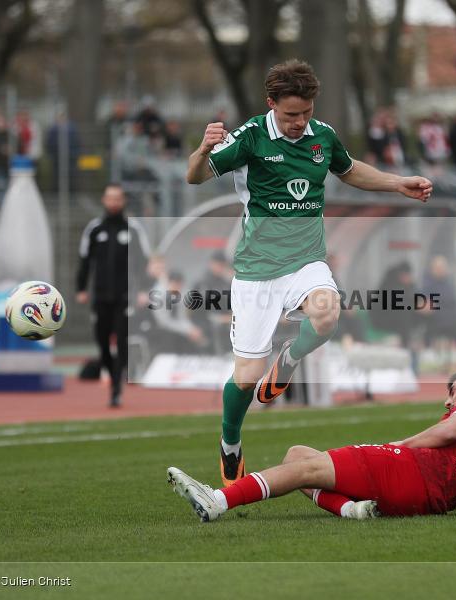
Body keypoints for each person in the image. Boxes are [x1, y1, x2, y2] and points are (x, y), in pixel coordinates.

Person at [185, 59, 433, 486]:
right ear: (271, 104)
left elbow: (349, 168)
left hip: (305, 260)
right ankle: (230, 445)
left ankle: (290, 359)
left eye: (306, 113)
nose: (299, 122)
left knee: (328, 311)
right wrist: (203, 149)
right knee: (245, 378)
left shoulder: (323, 136)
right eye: (290, 115)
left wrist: (397, 183)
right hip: (257, 268)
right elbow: (194, 177)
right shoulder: (250, 137)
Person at [168, 367, 456, 521]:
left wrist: (403, 444)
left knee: (306, 470)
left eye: (452, 390)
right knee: (296, 455)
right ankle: (351, 511)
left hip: (412, 472)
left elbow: (451, 431)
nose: (448, 400)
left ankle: (217, 500)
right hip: (419, 503)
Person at [75, 184, 150, 408]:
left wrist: (144, 290)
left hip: (124, 297)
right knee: (102, 341)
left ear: (123, 200)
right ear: (104, 200)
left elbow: (142, 263)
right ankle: (111, 373)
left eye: (118, 198)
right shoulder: (95, 229)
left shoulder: (133, 229)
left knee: (122, 342)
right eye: (110, 198)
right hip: (100, 297)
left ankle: (116, 388)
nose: (114, 202)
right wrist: (81, 288)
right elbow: (85, 260)